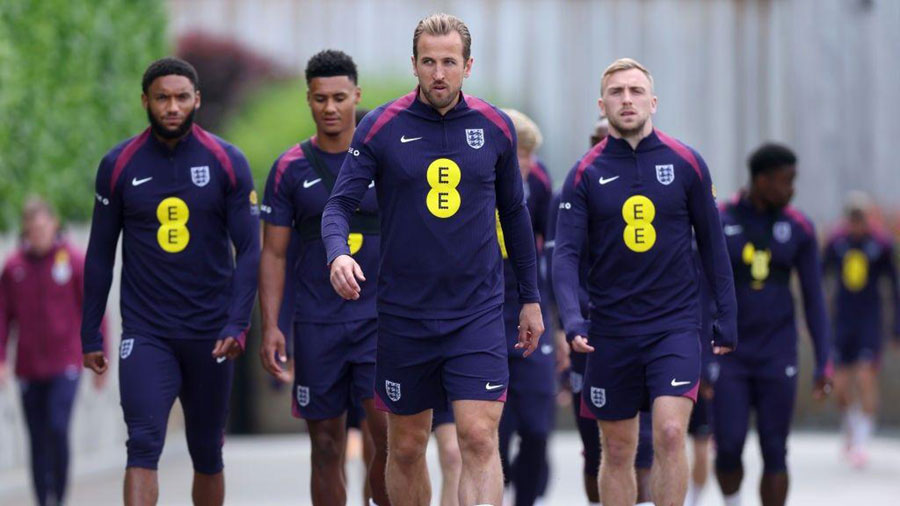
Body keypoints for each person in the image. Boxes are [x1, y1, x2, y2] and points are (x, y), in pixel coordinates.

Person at [322, 13, 543, 506]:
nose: (438, 73)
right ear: (414, 64)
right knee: (404, 447)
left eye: (449, 62)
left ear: (468, 65)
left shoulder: (495, 127)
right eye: (428, 62)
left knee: (478, 438)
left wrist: (530, 298)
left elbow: (514, 214)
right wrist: (337, 254)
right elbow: (338, 205)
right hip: (405, 314)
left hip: (477, 312)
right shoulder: (380, 126)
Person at [553, 58, 737, 506]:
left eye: (636, 91)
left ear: (653, 102)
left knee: (671, 432)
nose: (627, 100)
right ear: (602, 105)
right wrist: (572, 319)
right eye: (616, 92)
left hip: (674, 326)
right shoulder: (584, 173)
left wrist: (727, 315)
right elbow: (565, 255)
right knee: (618, 449)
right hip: (610, 331)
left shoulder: (687, 163)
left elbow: (713, 245)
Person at [80, 57, 260, 506]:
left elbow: (250, 249)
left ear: (197, 99)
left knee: (207, 451)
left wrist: (237, 323)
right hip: (147, 332)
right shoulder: (118, 164)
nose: (172, 107)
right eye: (162, 98)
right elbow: (99, 254)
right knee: (142, 443)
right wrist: (90, 332)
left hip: (211, 332)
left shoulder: (227, 161)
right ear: (146, 101)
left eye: (181, 97)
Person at [258, 49, 389, 506]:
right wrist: (272, 326)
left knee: (386, 440)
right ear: (308, 100)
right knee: (326, 445)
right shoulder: (289, 168)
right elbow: (273, 254)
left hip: (379, 323)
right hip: (317, 325)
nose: (330, 107)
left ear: (357, 95)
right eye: (320, 99)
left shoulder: (384, 159)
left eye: (339, 97)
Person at [714, 143, 831, 506]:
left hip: (777, 351)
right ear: (762, 181)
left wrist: (824, 361)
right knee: (728, 444)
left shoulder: (799, 227)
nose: (792, 189)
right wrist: (700, 354)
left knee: (775, 448)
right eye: (786, 181)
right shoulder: (720, 219)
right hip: (729, 353)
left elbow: (814, 299)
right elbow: (701, 290)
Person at [0, 197, 106, 506]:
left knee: (58, 428)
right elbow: (3, 317)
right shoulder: (14, 268)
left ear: (54, 225)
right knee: (37, 437)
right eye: (32, 229)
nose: (38, 234)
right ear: (26, 230)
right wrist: (2, 358)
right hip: (29, 368)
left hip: (65, 364)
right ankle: (42, 499)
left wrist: (99, 353)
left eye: (43, 227)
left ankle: (58, 496)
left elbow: (93, 310)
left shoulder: (72, 260)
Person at [495, 109, 555, 506]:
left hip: (529, 309)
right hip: (485, 313)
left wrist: (558, 321)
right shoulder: (477, 178)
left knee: (536, 428)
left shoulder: (540, 180)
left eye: (532, 155)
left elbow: (554, 247)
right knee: (494, 433)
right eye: (522, 155)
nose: (529, 164)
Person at [823, 191, 899, 467]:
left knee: (866, 377)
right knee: (839, 385)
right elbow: (819, 277)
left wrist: (896, 327)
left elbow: (894, 286)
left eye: (861, 218)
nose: (856, 224)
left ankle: (862, 441)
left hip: (869, 320)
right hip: (843, 321)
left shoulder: (881, 244)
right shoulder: (837, 243)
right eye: (852, 218)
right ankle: (851, 424)